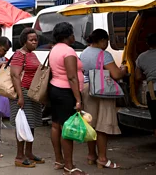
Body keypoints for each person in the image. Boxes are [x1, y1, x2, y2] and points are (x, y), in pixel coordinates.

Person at [80, 29, 127, 169]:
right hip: (102, 89)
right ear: (101, 40)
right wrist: (123, 69)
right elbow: (116, 74)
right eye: (106, 41)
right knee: (103, 125)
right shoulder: (104, 54)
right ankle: (102, 158)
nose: (106, 44)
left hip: (87, 88)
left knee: (90, 123)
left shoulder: (84, 53)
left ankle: (91, 155)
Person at [48, 22, 86, 175]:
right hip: (66, 92)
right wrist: (78, 99)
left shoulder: (54, 49)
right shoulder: (68, 51)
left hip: (54, 89)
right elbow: (71, 77)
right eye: (72, 34)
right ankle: (69, 167)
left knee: (56, 125)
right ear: (67, 35)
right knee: (67, 129)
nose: (74, 37)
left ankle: (59, 160)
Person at [10, 28, 44, 168]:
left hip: (32, 93)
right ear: (24, 40)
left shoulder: (32, 54)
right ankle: (19, 156)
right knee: (22, 124)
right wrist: (20, 96)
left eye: (36, 40)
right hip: (23, 92)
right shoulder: (19, 55)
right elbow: (15, 76)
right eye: (31, 40)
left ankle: (29, 153)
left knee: (31, 124)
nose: (34, 42)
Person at [136, 33, 156, 137]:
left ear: (147, 43)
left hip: (152, 90)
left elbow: (138, 77)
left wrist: (148, 76)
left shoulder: (141, 57)